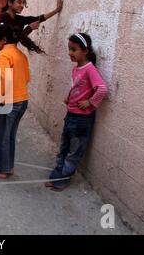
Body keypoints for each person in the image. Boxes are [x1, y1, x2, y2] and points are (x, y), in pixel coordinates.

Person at [0, 0, 63, 137]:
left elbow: (38, 18)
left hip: (7, 59)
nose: (21, 5)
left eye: (23, 3)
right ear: (10, 3)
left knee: (5, 88)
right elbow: (7, 40)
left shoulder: (18, 19)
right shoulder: (3, 19)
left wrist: (56, 10)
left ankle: (2, 118)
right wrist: (29, 29)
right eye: (18, 2)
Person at [46, 33, 108, 192]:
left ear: (85, 51)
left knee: (74, 152)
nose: (70, 53)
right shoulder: (77, 69)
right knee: (64, 148)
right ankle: (56, 176)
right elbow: (78, 87)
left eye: (74, 49)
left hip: (82, 120)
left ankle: (63, 179)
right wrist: (69, 97)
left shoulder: (89, 69)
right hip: (71, 115)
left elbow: (102, 89)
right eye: (69, 49)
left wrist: (90, 102)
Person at [0, 24, 30, 179]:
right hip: (23, 100)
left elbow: (5, 80)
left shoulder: (3, 55)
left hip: (9, 102)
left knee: (2, 135)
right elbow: (27, 78)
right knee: (10, 135)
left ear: (3, 40)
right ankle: (8, 167)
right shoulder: (20, 54)